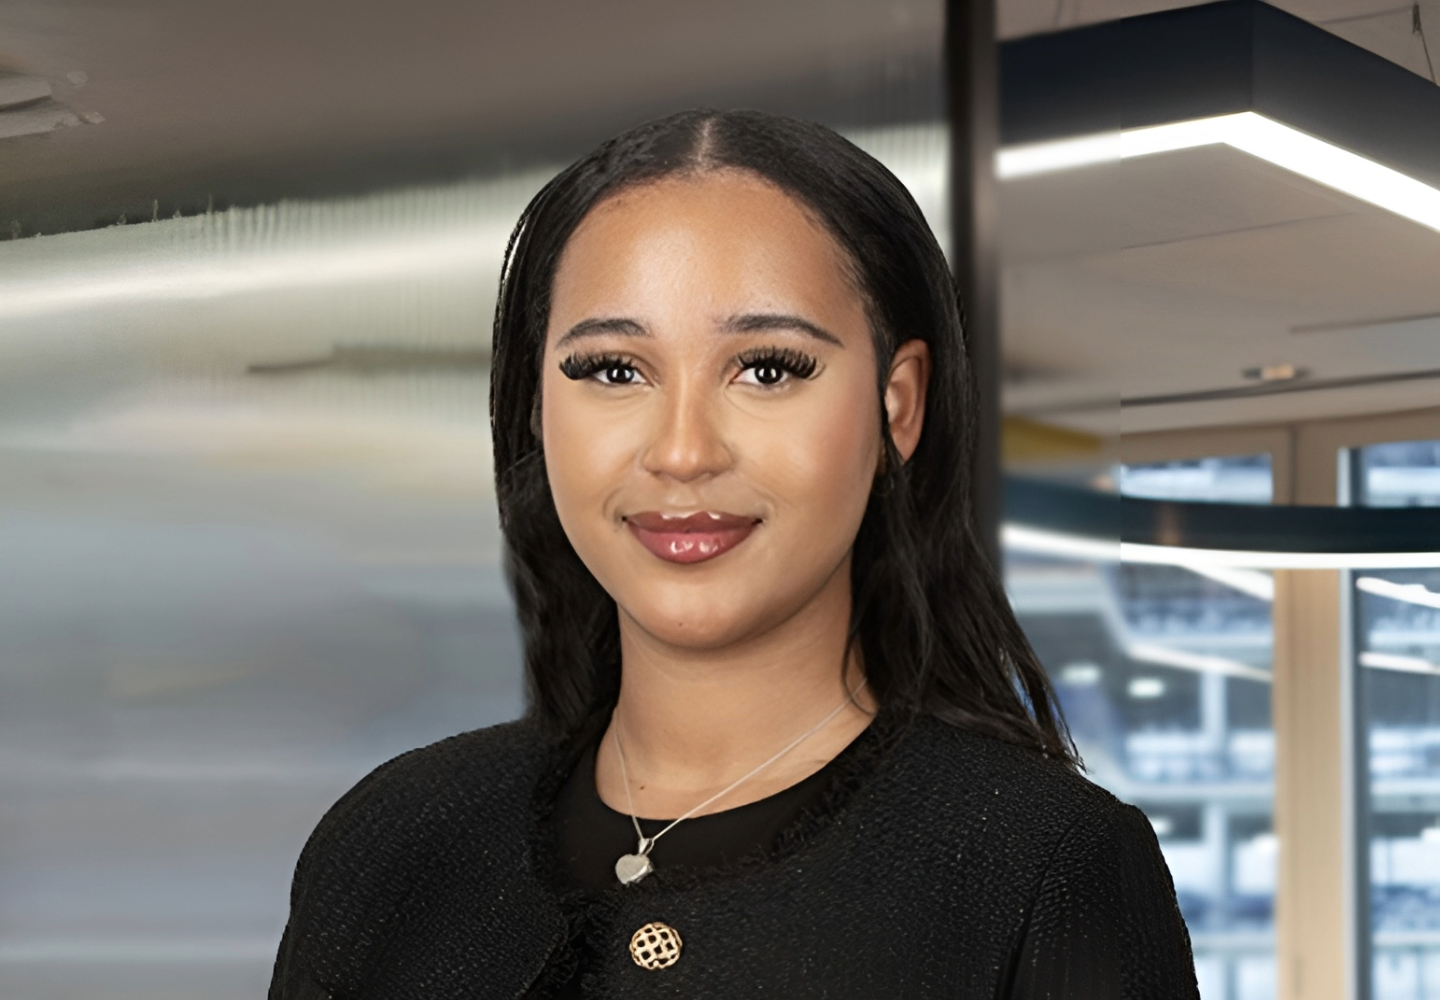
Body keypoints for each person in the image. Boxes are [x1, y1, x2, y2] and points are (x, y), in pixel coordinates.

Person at [268, 109, 1198, 1000]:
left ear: (898, 404)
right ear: (537, 408)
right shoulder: (392, 839)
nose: (682, 452)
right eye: (614, 371)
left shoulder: (1042, 867)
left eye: (768, 368)